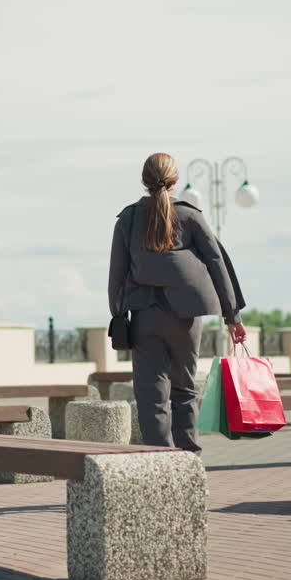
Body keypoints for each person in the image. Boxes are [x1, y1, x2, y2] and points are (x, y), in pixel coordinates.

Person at [108, 153, 247, 454]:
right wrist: (231, 316)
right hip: (186, 315)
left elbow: (116, 274)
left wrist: (118, 315)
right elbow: (217, 263)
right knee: (184, 389)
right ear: (176, 181)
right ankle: (189, 461)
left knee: (151, 394)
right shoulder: (190, 216)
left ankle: (161, 462)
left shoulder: (129, 218)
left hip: (144, 315)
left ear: (144, 181)